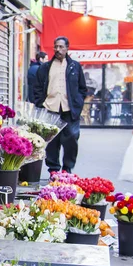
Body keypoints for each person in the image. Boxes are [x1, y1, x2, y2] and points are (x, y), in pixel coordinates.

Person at [33, 36, 87, 173]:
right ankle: (53, 170)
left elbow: (82, 88)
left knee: (71, 139)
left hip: (70, 110)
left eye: (61, 47)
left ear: (67, 48)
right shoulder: (46, 67)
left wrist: (78, 103)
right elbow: (37, 87)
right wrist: (41, 102)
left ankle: (67, 169)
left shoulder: (75, 66)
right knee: (51, 141)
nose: (58, 49)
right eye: (56, 46)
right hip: (51, 108)